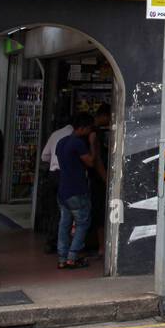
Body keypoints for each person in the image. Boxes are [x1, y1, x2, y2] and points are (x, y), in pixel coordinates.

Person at [55, 113, 96, 269]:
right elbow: (91, 162)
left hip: (63, 189)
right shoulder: (78, 144)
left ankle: (62, 258)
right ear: (83, 128)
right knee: (82, 223)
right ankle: (72, 257)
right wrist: (92, 143)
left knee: (64, 224)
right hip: (77, 189)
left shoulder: (61, 142)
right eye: (89, 129)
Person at [39, 115, 74, 253]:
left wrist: (54, 161)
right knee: (67, 211)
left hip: (53, 175)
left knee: (54, 210)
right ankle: (64, 244)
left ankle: (51, 241)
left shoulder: (55, 134)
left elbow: (44, 156)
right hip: (65, 175)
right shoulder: (73, 135)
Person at [85, 104, 111, 255]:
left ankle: (101, 246)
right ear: (104, 115)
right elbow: (98, 160)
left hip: (93, 179)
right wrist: (106, 179)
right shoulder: (95, 134)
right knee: (100, 213)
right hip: (98, 180)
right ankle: (102, 247)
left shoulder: (93, 132)